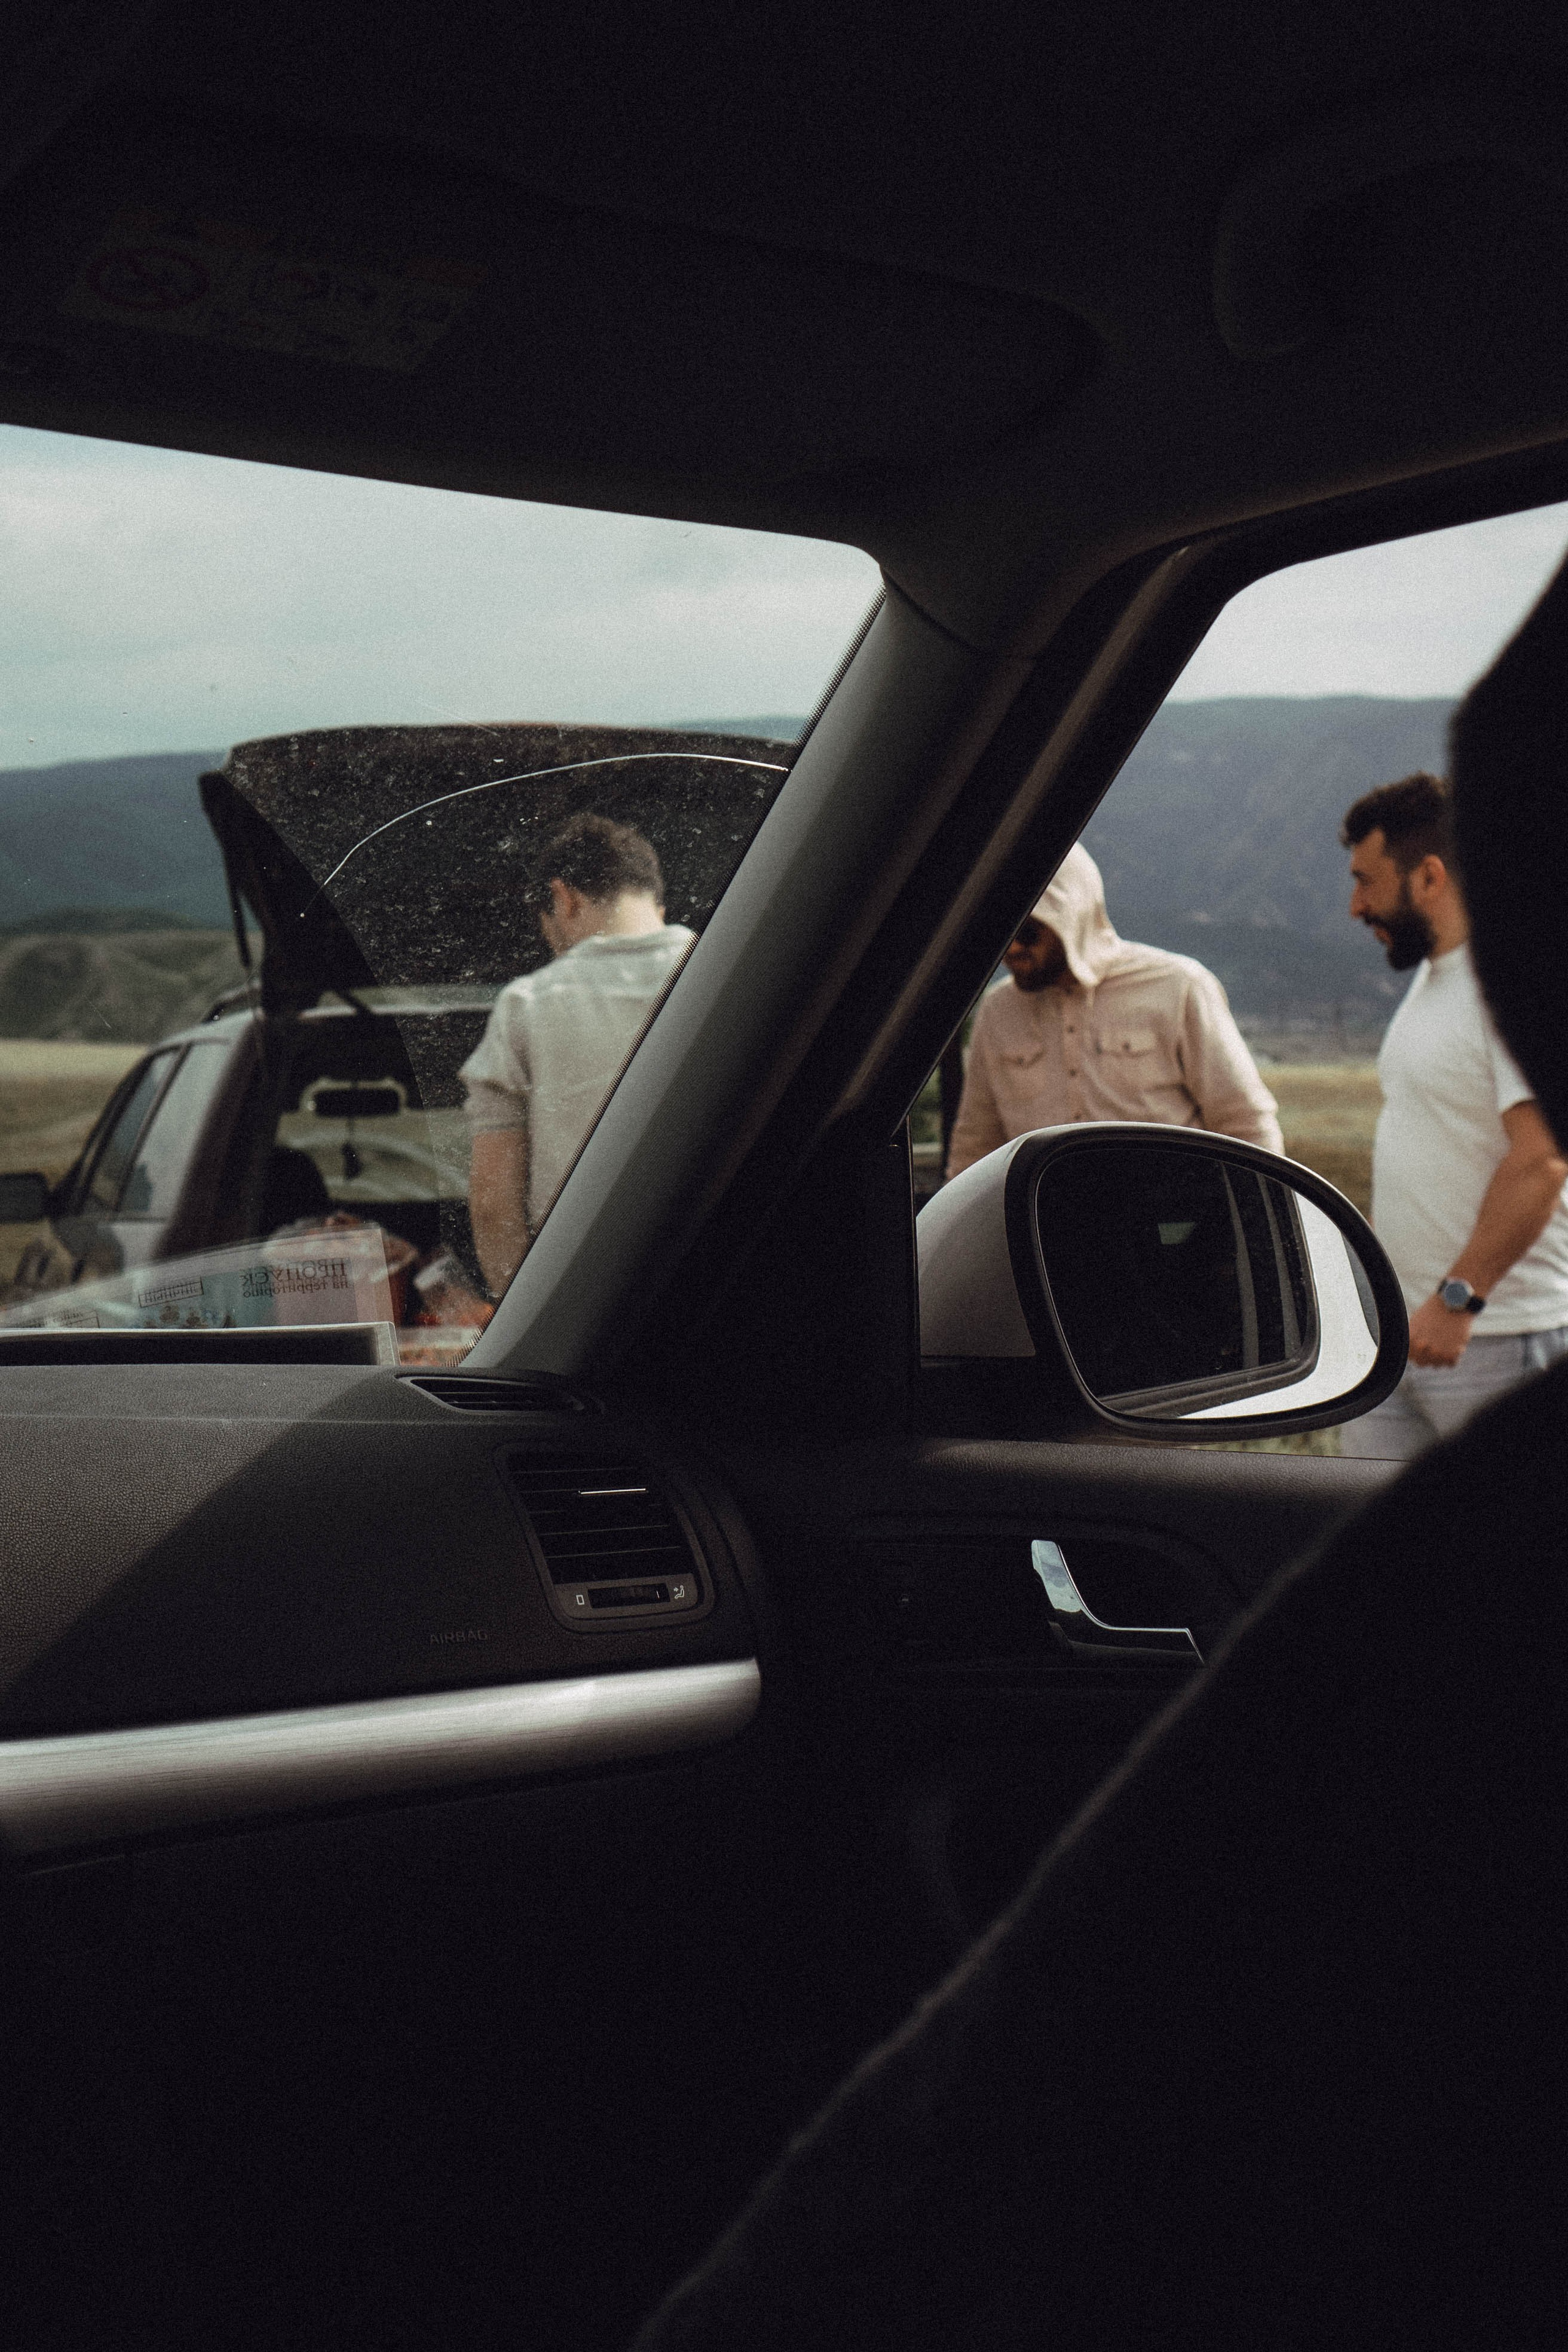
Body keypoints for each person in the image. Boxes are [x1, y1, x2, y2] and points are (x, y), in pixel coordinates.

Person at [1336, 772, 1568, 1460]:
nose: (1355, 906)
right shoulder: (1438, 980)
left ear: (1429, 877)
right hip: (1404, 1338)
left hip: (1494, 1340)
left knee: (1513, 1565)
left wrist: (1459, 1300)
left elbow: (1544, 1158)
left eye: (1366, 881)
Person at [944, 842, 1282, 1177]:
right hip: (1046, 1228)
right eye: (1003, 932)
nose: (1013, 948)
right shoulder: (997, 1010)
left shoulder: (1179, 986)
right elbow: (976, 1145)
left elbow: (1245, 1123)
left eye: (1028, 931)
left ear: (1070, 917)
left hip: (1175, 1223)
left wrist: (1270, 1222)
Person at [461, 812, 694, 1293]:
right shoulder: (737, 975)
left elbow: (492, 1202)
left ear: (564, 898)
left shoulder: (527, 1006)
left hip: (587, 1297)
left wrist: (516, 1316)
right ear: (655, 902)